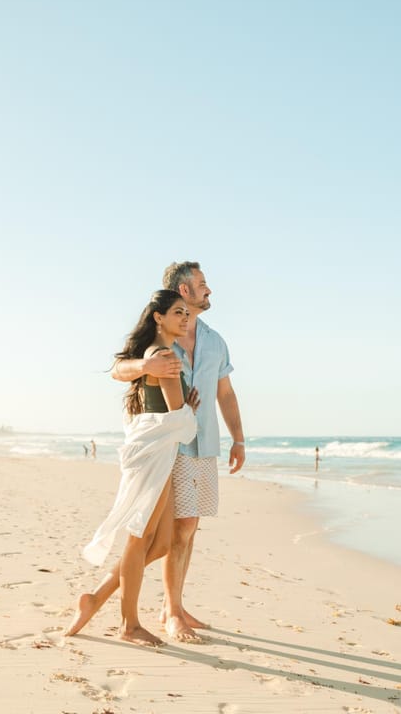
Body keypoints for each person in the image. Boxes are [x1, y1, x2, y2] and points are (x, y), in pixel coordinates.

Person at [114, 261, 245, 642]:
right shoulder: (158, 336)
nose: (209, 290)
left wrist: (238, 439)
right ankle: (166, 611)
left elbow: (226, 394)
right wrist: (145, 364)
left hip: (204, 444)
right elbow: (119, 369)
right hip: (167, 447)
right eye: (202, 284)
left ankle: (173, 604)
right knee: (158, 533)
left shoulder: (215, 341)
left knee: (187, 529)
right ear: (183, 290)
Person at [66, 290, 199, 646]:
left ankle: (95, 597)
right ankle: (129, 625)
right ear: (158, 317)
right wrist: (189, 413)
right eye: (177, 312)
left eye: (187, 313)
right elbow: (181, 422)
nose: (185, 319)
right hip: (156, 456)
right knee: (140, 540)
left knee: (164, 541)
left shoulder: (155, 354)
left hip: (158, 453)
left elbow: (172, 411)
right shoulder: (164, 356)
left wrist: (185, 409)